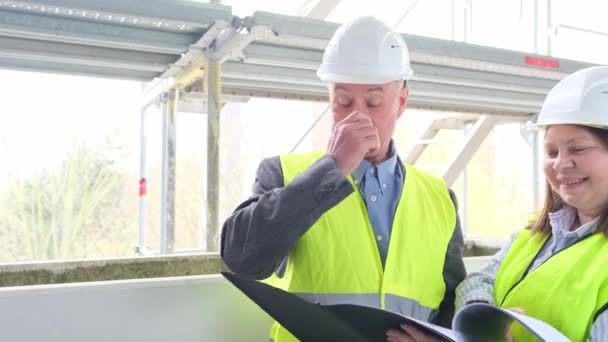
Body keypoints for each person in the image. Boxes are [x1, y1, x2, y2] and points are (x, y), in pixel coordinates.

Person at [221, 16, 466, 342]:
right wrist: (332, 168)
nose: (357, 115)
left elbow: (452, 303)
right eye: (343, 101)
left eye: (374, 102)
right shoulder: (283, 174)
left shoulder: (440, 198)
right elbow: (242, 259)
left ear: (401, 102)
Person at [455, 66, 608, 342]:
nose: (561, 163)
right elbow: (480, 280)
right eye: (551, 151)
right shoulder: (536, 233)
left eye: (578, 149)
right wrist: (479, 319)